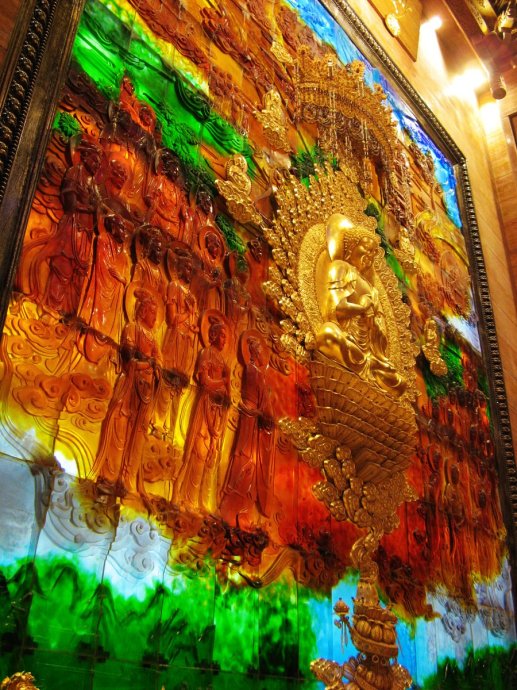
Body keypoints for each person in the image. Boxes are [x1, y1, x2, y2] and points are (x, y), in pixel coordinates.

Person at [316, 213, 406, 396]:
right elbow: (336, 309)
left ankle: (369, 367)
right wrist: (363, 308)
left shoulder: (372, 289)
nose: (370, 255)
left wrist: (374, 322)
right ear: (351, 246)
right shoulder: (341, 268)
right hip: (345, 337)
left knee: (400, 383)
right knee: (327, 335)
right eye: (366, 248)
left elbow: (378, 337)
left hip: (366, 353)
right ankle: (364, 367)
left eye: (373, 252)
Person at [92, 289, 161, 497]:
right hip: (130, 385)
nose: (155, 317)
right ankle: (109, 475)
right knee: (119, 428)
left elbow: (159, 363)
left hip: (145, 391)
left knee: (137, 436)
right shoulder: (132, 328)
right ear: (143, 311)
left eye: (156, 313)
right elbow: (129, 356)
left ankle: (126, 479)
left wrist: (152, 365)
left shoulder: (154, 339)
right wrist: (146, 363)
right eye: (152, 312)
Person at [174, 313, 230, 513]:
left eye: (225, 337)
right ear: (212, 336)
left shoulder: (223, 363)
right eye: (221, 335)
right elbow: (205, 382)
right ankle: (186, 498)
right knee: (198, 451)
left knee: (210, 457)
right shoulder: (206, 353)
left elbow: (228, 396)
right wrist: (222, 381)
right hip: (205, 406)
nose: (223, 340)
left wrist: (227, 389)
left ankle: (201, 501)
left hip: (217, 414)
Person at [220, 332, 275, 526]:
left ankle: (243, 511)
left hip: (255, 421)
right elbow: (255, 402)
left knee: (251, 464)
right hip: (250, 422)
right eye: (259, 350)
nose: (262, 354)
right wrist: (263, 413)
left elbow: (265, 403)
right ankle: (233, 509)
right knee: (246, 461)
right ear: (253, 352)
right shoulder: (252, 371)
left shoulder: (258, 373)